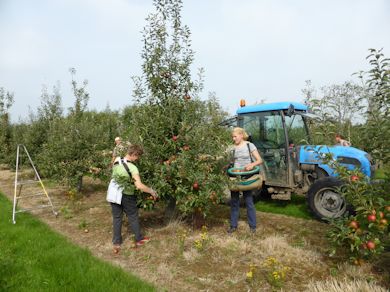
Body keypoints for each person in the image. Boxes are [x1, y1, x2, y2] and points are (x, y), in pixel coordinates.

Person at [111, 144, 157, 253]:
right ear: (134, 154)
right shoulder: (132, 167)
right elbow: (139, 186)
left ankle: (117, 242)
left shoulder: (116, 160)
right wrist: (152, 191)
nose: (138, 159)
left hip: (113, 193)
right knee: (133, 216)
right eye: (138, 156)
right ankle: (139, 239)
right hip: (126, 195)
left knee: (117, 218)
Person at [228, 127, 263, 234]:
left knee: (249, 201)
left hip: (246, 177)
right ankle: (233, 226)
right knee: (234, 202)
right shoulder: (232, 148)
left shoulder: (249, 145)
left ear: (241, 135)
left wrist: (252, 165)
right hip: (235, 177)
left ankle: (253, 227)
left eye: (235, 136)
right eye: (232, 137)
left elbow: (259, 160)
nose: (234, 139)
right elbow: (227, 160)